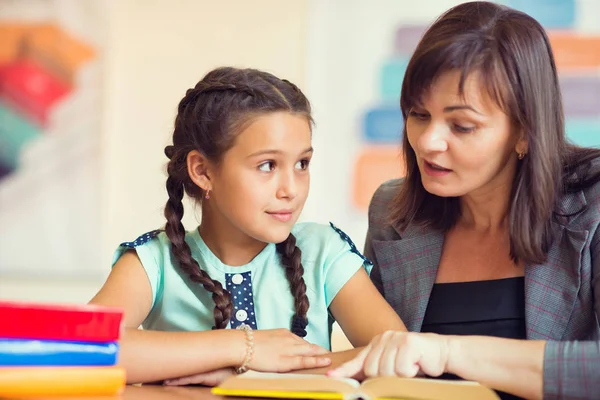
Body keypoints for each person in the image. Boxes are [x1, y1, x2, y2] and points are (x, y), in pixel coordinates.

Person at [328, 2, 600, 400]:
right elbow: (385, 370)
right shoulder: (391, 212)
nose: (427, 142)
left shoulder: (591, 205)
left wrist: (448, 351)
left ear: (524, 132)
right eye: (419, 115)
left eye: (462, 125)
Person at [89, 66, 405, 385]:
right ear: (203, 171)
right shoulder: (153, 261)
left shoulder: (324, 251)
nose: (291, 189)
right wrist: (242, 347)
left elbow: (400, 354)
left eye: (302, 164)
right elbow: (83, 350)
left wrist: (243, 373)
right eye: (267, 165)